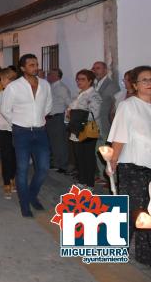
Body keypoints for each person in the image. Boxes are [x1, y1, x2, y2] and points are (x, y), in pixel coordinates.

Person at [107, 65, 151, 267]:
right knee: (136, 210)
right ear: (134, 85)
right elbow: (119, 137)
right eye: (144, 80)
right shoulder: (129, 106)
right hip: (134, 167)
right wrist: (112, 162)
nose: (149, 83)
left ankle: (144, 253)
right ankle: (118, 246)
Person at [1, 54, 52, 217]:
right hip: (21, 132)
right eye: (31, 65)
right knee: (22, 169)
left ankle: (31, 195)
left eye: (36, 64)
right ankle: (25, 204)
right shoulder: (14, 87)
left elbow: (48, 105)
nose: (35, 67)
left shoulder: (45, 85)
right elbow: (5, 110)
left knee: (43, 168)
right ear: (23, 68)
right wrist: (17, 123)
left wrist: (38, 119)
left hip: (40, 131)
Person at [66, 69, 102, 189]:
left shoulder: (94, 95)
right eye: (77, 79)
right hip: (76, 129)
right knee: (79, 156)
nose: (79, 82)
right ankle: (82, 180)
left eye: (82, 79)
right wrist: (69, 114)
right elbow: (70, 110)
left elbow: (94, 113)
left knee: (88, 157)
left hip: (87, 130)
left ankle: (90, 183)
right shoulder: (80, 93)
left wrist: (73, 112)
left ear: (90, 81)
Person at [0, 68, 18, 199]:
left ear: (9, 79)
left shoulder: (20, 94)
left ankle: (13, 178)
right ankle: (7, 183)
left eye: (2, 79)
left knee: (16, 157)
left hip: (17, 130)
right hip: (2, 130)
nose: (1, 82)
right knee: (6, 157)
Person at [46, 68, 72, 173]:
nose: (49, 75)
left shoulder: (61, 88)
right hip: (51, 118)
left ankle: (63, 165)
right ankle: (56, 163)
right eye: (49, 74)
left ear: (58, 76)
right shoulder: (51, 86)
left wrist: (66, 118)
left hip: (58, 117)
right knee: (54, 142)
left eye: (51, 74)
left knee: (60, 142)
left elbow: (69, 103)